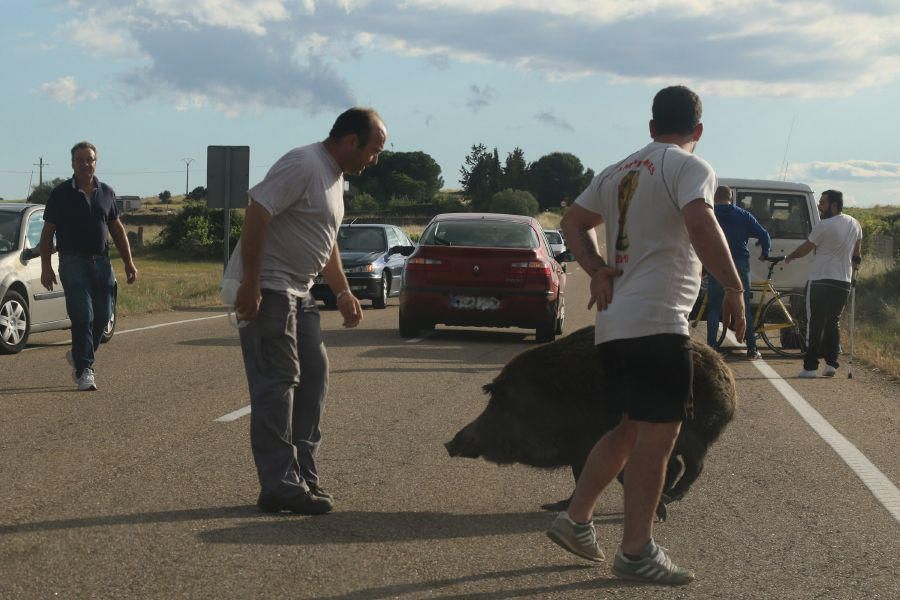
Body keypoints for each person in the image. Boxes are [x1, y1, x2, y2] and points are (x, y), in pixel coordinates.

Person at [548, 85, 745, 585]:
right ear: (698, 130)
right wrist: (734, 287)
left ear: (651, 125)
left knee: (629, 428)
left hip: (615, 325)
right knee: (658, 439)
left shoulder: (617, 170)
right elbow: (701, 223)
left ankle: (575, 519)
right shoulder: (690, 166)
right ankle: (635, 551)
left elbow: (573, 221)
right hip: (658, 322)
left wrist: (595, 267)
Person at [227, 107, 385, 515]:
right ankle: (280, 483)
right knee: (277, 386)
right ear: (351, 140)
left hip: (302, 293)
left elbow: (325, 238)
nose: (375, 160)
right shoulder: (304, 163)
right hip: (271, 289)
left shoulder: (333, 179)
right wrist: (251, 281)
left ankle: (301, 476)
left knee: (313, 378)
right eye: (374, 149)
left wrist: (344, 290)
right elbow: (258, 209)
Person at [39, 141, 138, 391]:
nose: (85, 164)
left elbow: (116, 229)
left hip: (102, 261)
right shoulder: (60, 194)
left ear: (96, 161)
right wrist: (46, 267)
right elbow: (48, 232)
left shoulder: (106, 192)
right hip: (73, 261)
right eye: (80, 160)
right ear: (72, 163)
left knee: (103, 316)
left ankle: (80, 353)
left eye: (89, 159)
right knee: (83, 315)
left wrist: (129, 263)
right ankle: (85, 370)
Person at [785, 190, 861, 378]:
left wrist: (790, 256)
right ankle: (831, 364)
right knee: (833, 322)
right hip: (843, 280)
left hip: (820, 280)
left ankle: (810, 367)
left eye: (822, 203)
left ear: (833, 204)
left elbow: (805, 248)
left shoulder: (824, 225)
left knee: (815, 322)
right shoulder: (855, 224)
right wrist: (853, 273)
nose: (819, 206)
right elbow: (857, 255)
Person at [706, 185, 771, 359]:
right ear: (732, 198)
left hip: (717, 263)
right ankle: (751, 349)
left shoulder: (710, 214)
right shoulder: (744, 215)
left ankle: (711, 350)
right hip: (740, 263)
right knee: (743, 308)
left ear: (714, 198)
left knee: (713, 307)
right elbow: (764, 235)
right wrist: (765, 253)